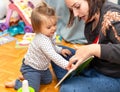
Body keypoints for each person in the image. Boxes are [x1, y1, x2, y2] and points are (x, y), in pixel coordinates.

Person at [4, 1, 75, 92]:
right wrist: (67, 65)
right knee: (33, 89)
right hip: (31, 67)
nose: (53, 28)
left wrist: (60, 50)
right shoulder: (41, 40)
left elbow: (52, 47)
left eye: (54, 24)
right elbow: (53, 55)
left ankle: (28, 78)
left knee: (48, 81)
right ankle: (17, 83)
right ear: (38, 28)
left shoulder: (49, 34)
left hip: (42, 68)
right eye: (49, 27)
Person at [51, 0, 120, 92]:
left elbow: (96, 48)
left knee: (67, 89)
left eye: (77, 6)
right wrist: (86, 52)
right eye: (71, 9)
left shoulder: (112, 16)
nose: (75, 14)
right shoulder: (92, 15)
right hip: (95, 65)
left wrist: (93, 49)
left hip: (113, 76)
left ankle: (76, 84)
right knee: (55, 52)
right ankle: (80, 83)